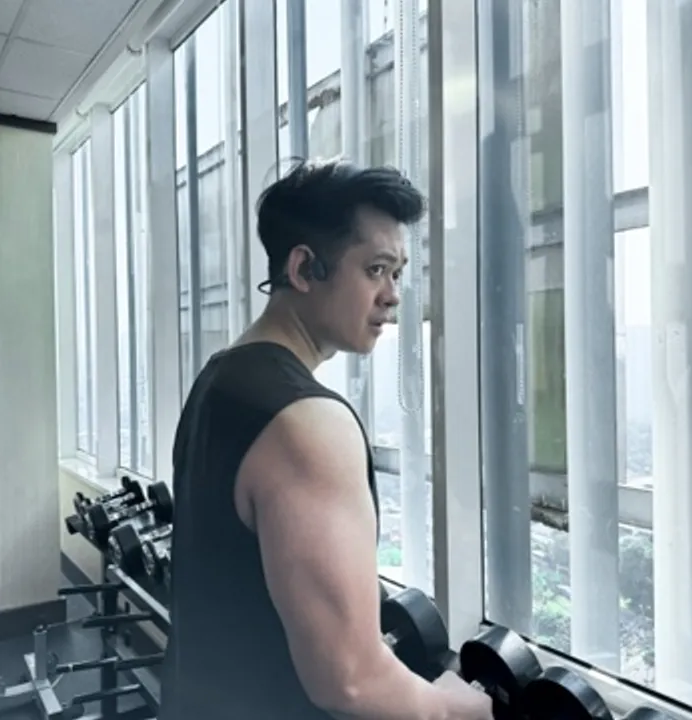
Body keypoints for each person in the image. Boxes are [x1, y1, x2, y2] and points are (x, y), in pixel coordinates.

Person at [158, 158, 493, 720]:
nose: (392, 295)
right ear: (304, 268)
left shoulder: (220, 378)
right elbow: (351, 680)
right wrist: (453, 708)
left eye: (398, 273)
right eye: (376, 269)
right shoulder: (307, 423)